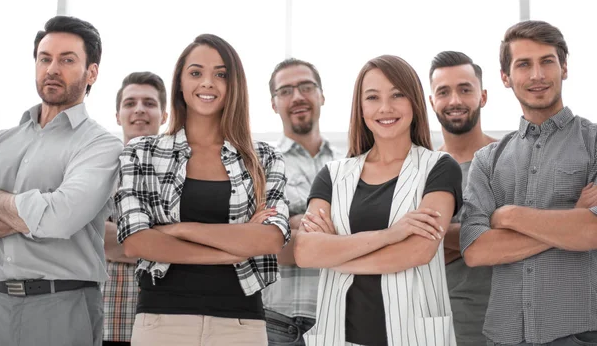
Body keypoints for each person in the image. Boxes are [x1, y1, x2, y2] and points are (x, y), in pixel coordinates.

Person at [114, 34, 290, 346]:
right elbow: (136, 242)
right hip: (161, 322)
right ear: (180, 84)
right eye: (196, 73)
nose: (207, 83)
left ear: (234, 84)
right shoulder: (143, 152)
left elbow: (270, 238)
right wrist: (234, 247)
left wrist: (178, 229)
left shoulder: (264, 158)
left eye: (220, 74)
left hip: (241, 325)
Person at [295, 55, 462, 346]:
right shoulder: (332, 176)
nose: (386, 108)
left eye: (397, 94)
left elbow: (417, 252)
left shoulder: (439, 168)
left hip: (414, 335)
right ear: (360, 109)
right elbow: (306, 252)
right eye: (372, 97)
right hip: (340, 334)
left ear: (414, 102)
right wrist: (391, 235)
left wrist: (336, 255)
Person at [461, 20, 597, 345]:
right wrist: (570, 224)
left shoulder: (593, 143)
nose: (537, 75)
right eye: (524, 64)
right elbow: (476, 250)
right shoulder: (487, 160)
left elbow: (592, 232)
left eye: (547, 61)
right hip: (505, 336)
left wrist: (507, 216)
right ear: (506, 77)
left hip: (579, 335)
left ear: (564, 68)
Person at [0, 16, 123, 346]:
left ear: (91, 72)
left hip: (62, 306)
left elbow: (60, 218)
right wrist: (33, 212)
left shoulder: (101, 145)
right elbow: (48, 214)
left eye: (67, 59)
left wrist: (18, 209)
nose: (53, 68)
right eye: (45, 58)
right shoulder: (1, 141)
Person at [262, 58, 340, 345]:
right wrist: (332, 228)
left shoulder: (351, 163)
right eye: (285, 91)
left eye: (306, 87)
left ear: (321, 95)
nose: (297, 96)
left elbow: (360, 233)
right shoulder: (260, 163)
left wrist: (295, 221)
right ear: (273, 104)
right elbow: (264, 244)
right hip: (276, 322)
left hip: (339, 319)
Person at [428, 50, 497, 346]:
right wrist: (486, 230)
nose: (454, 100)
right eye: (443, 92)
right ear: (432, 102)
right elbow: (412, 246)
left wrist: (444, 235)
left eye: (464, 89)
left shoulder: (511, 158)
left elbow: (525, 239)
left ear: (482, 96)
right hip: (438, 327)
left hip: (511, 324)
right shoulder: (421, 169)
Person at [103, 71, 168, 346]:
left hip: (168, 322)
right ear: (118, 115)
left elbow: (189, 244)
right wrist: (157, 239)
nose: (139, 109)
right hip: (109, 320)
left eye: (149, 103)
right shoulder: (98, 172)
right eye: (130, 103)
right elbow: (91, 237)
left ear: (164, 115)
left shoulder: (181, 173)